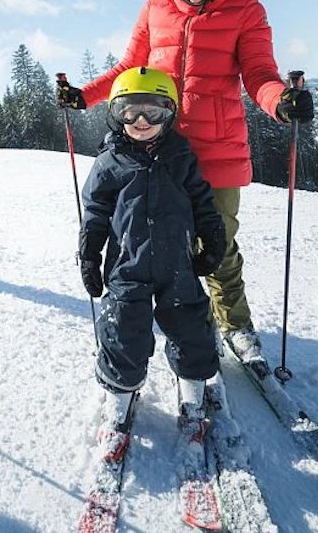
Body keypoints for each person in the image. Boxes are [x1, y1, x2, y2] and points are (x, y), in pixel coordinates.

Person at [60, 0, 314, 364]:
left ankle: (234, 324)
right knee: (144, 238)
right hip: (158, 145)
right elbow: (127, 70)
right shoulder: (157, 7)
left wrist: (281, 103)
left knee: (217, 245)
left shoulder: (246, 10)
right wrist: (86, 95)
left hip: (217, 152)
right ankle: (160, 317)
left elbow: (259, 74)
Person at [79, 66, 227, 450]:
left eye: (153, 112)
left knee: (190, 327)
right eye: (130, 111)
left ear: (169, 112)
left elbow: (202, 201)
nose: (141, 121)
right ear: (116, 113)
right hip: (127, 266)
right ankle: (119, 400)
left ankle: (193, 396)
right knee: (123, 331)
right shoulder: (109, 162)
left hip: (177, 263)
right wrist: (89, 255)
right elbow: (94, 212)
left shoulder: (181, 157)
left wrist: (211, 236)